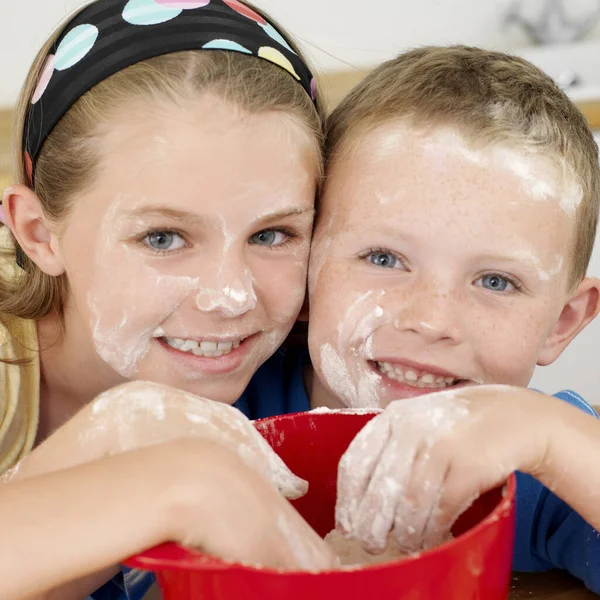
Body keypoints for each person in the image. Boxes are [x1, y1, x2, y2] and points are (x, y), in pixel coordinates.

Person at [0, 0, 336, 598]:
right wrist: (128, 452)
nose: (229, 297)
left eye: (271, 234)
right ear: (39, 234)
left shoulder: (306, 374)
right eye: (162, 237)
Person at [263, 45, 600, 590]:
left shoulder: (537, 463)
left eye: (495, 281)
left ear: (561, 322)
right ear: (305, 269)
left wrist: (554, 441)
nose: (430, 320)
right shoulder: (223, 411)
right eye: (384, 258)